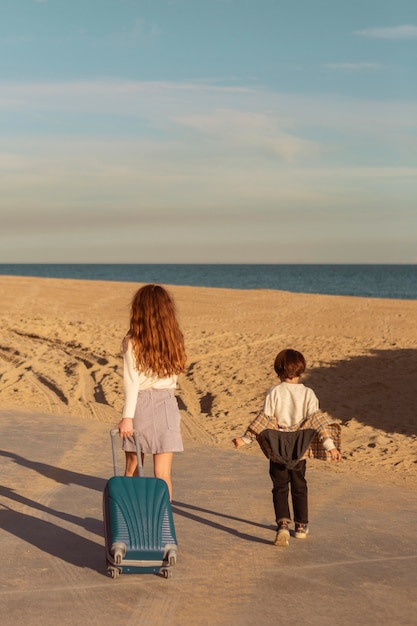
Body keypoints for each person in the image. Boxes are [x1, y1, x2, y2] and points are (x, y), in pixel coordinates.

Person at [233, 348, 341, 547]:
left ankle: (283, 524)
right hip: (299, 447)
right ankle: (301, 526)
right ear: (301, 370)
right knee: (299, 485)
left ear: (278, 370)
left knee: (280, 486)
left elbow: (264, 420)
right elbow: (318, 421)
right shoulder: (308, 393)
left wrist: (245, 439)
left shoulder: (274, 392)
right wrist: (330, 446)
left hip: (278, 446)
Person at [116, 284, 186, 500]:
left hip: (141, 405)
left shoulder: (132, 342)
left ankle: (131, 518)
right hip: (167, 404)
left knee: (132, 469)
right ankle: (162, 524)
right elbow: (175, 375)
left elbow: (132, 382)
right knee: (162, 475)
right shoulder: (175, 339)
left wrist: (127, 417)